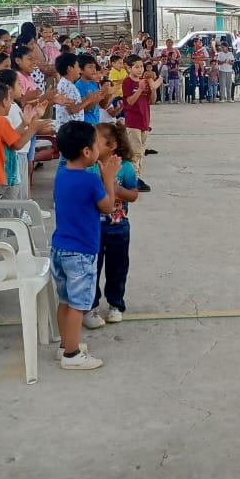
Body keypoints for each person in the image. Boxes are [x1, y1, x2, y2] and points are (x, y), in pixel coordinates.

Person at [51, 121, 119, 370]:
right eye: (95, 145)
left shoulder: (61, 175)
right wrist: (108, 178)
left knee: (65, 300)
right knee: (78, 305)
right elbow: (108, 207)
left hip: (60, 248)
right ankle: (72, 355)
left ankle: (65, 345)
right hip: (81, 252)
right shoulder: (90, 181)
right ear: (87, 151)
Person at [90, 121, 139, 327]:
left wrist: (116, 189)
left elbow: (133, 195)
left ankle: (115, 304)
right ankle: (91, 306)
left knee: (117, 268)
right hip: (93, 228)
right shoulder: (91, 167)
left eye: (95, 142)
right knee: (92, 268)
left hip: (118, 228)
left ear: (112, 146)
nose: (90, 145)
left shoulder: (125, 168)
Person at [0, 80, 45, 200]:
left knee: (4, 207)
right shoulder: (1, 121)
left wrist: (24, 124)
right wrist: (33, 128)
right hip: (6, 177)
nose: (11, 104)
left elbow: (9, 137)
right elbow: (17, 144)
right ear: (4, 102)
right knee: (8, 210)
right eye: (9, 100)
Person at [122, 54, 161, 192]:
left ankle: (137, 176)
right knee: (135, 152)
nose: (140, 70)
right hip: (133, 121)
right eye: (136, 67)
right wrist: (139, 89)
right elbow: (130, 101)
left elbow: (152, 100)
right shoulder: (127, 82)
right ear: (129, 68)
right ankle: (132, 179)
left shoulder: (144, 81)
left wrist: (153, 88)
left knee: (141, 151)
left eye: (141, 67)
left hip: (144, 120)